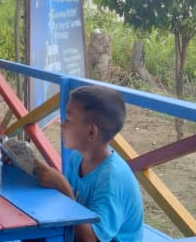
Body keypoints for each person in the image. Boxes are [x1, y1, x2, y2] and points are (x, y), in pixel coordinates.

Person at [30, 86, 143, 242]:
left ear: (91, 132)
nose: (62, 125)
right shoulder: (77, 158)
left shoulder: (111, 178)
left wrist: (63, 188)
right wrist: (27, 167)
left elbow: (90, 239)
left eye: (68, 120)